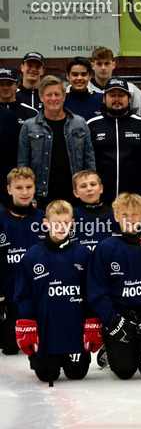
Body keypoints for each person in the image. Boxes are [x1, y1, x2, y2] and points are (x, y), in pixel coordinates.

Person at [13, 199, 97, 383]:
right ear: (46, 223)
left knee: (77, 374)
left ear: (72, 223)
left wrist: (93, 320)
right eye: (56, 223)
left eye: (66, 222)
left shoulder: (84, 254)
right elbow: (24, 295)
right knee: (46, 375)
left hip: (75, 332)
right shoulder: (32, 256)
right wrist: (27, 323)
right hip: (46, 334)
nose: (61, 227)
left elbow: (92, 292)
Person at [87, 193, 141, 380]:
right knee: (124, 372)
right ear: (116, 216)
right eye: (124, 215)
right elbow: (97, 291)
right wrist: (112, 319)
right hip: (120, 317)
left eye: (134, 214)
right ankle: (110, 348)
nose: (130, 219)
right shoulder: (106, 247)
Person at [18, 75, 96, 207]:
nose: (53, 98)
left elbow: (89, 162)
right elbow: (23, 167)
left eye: (57, 94)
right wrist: (30, 198)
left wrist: (89, 193)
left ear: (64, 96)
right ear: (41, 97)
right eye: (49, 95)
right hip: (41, 197)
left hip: (75, 196)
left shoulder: (80, 123)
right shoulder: (29, 126)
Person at [0, 168, 46, 355]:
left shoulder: (45, 219)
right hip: (10, 299)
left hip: (42, 299)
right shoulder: (1, 220)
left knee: (46, 345)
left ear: (35, 188)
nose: (25, 192)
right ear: (9, 190)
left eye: (29, 187)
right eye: (19, 187)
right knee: (10, 347)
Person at [86, 78, 141, 204]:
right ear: (104, 98)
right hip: (101, 200)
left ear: (129, 99)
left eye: (121, 95)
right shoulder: (91, 125)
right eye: (112, 95)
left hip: (136, 199)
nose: (117, 99)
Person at [71, 170, 116, 252]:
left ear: (101, 188)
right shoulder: (70, 216)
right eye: (83, 186)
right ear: (76, 193)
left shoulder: (115, 215)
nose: (89, 189)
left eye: (93, 184)